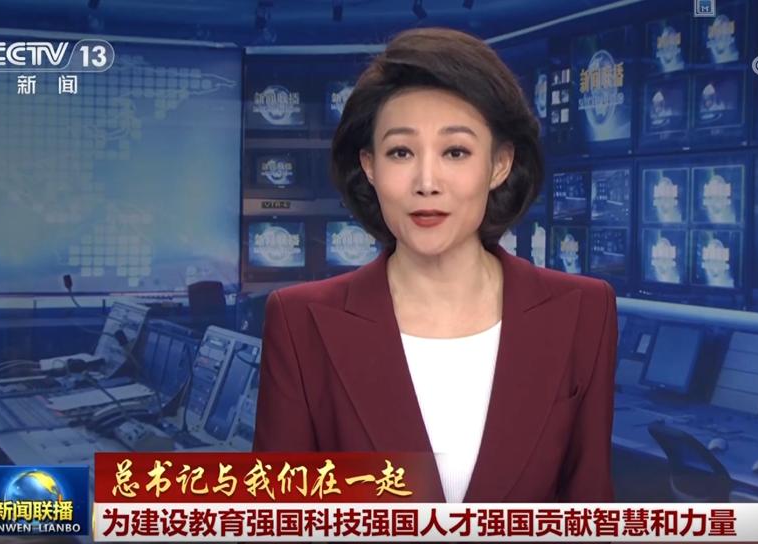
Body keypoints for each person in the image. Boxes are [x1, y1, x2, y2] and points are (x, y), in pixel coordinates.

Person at [253, 27, 618, 503]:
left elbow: (589, 511)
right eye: (400, 152)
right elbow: (279, 518)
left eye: (455, 152)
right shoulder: (299, 321)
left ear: (500, 164)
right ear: (370, 166)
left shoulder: (584, 311)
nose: (427, 182)